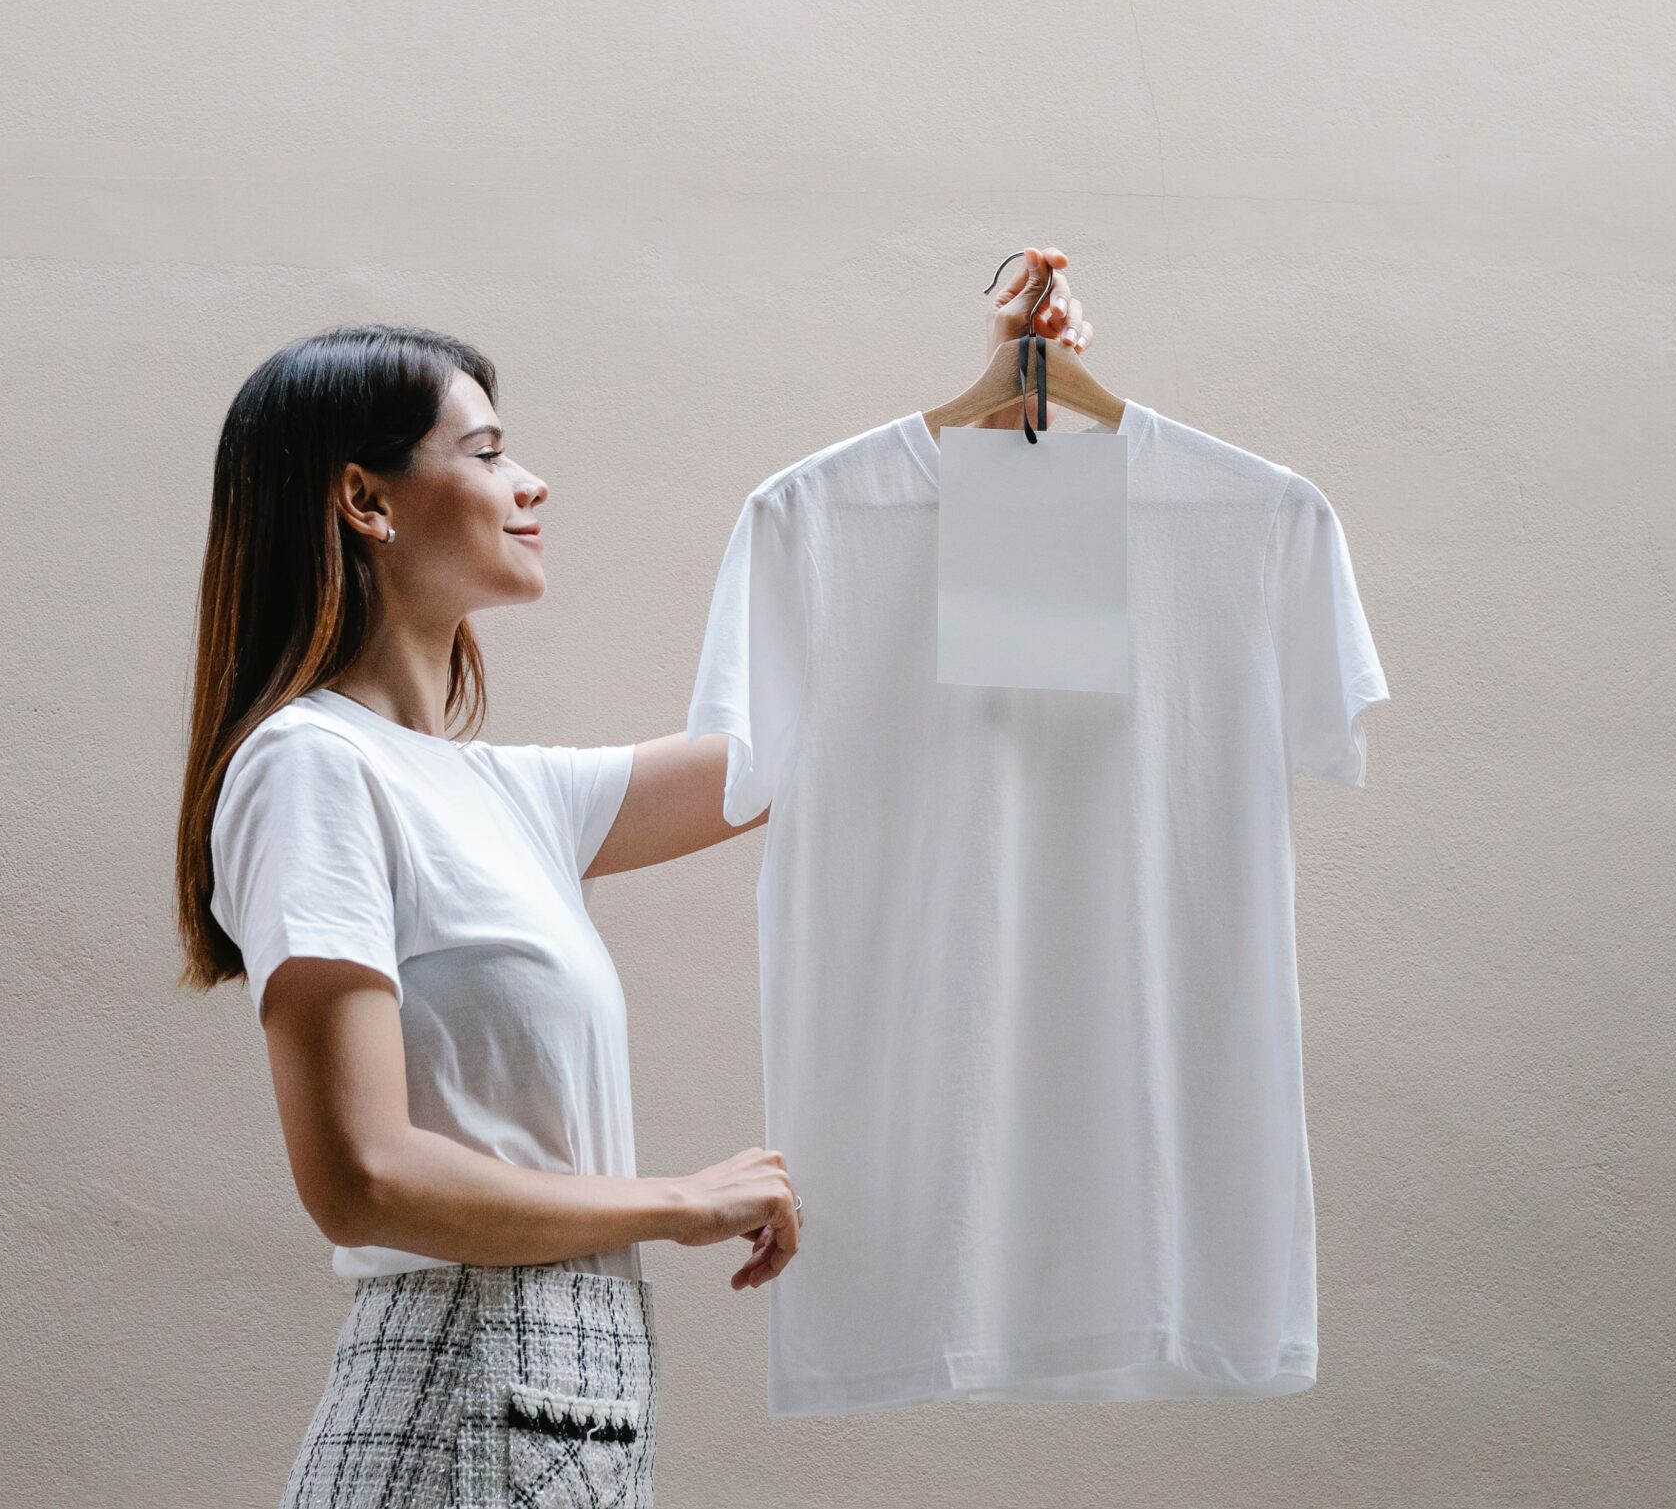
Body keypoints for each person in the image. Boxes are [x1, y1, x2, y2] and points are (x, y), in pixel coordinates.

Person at [174, 250, 1091, 1506]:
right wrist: (674, 1199)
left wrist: (1000, 434)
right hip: (459, 1399)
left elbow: (836, 728)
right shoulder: (311, 768)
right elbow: (359, 1179)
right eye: (487, 451)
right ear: (365, 500)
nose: (531, 479)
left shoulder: (505, 794)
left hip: (567, 1393)